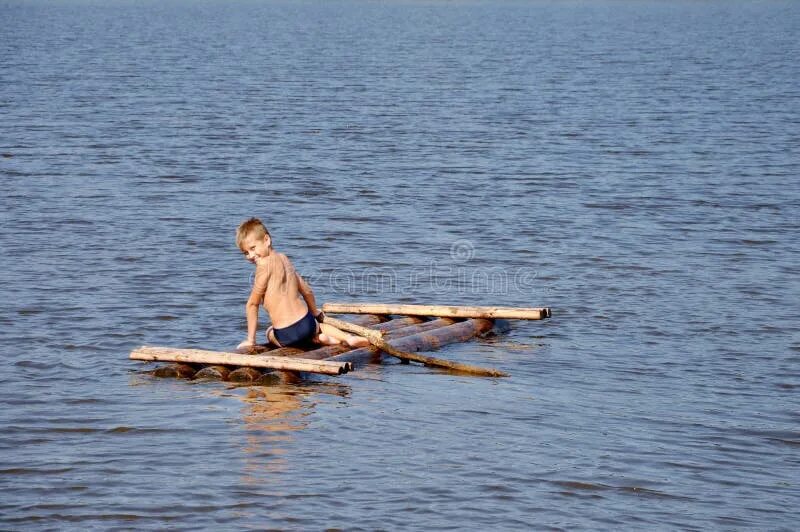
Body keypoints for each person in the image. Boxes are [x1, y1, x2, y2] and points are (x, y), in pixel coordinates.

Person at [235, 218, 369, 350]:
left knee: (269, 332)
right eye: (246, 253)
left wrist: (250, 340)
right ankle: (347, 338)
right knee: (319, 326)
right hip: (307, 324)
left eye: (253, 248)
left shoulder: (263, 266)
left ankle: (321, 340)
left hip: (286, 333)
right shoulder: (284, 259)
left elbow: (252, 304)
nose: (251, 256)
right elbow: (306, 290)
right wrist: (315, 312)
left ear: (266, 240)